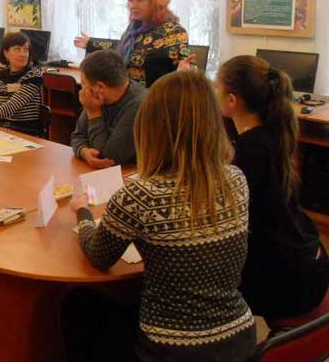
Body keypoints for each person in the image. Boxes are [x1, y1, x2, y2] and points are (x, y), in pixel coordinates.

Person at [63, 71, 256, 361]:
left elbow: (98, 256)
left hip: (171, 349)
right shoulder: (236, 179)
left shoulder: (140, 194)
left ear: (151, 126)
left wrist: (83, 213)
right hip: (240, 338)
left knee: (78, 303)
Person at [216, 55, 329, 327]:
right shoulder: (275, 133)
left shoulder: (248, 151)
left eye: (216, 87)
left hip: (289, 282)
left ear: (232, 100)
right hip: (310, 259)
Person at [74, 0, 190, 87]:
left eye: (139, 0)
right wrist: (90, 43)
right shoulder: (134, 28)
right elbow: (120, 49)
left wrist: (185, 72)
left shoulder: (173, 31)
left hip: (153, 97)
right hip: (127, 94)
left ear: (155, 2)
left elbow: (187, 68)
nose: (132, 5)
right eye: (130, 0)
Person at [70, 50, 145, 169]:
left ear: (99, 87)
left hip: (132, 170)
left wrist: (94, 113)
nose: (82, 90)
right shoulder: (98, 97)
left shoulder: (139, 105)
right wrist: (83, 151)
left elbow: (108, 158)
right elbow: (77, 135)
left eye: (83, 83)